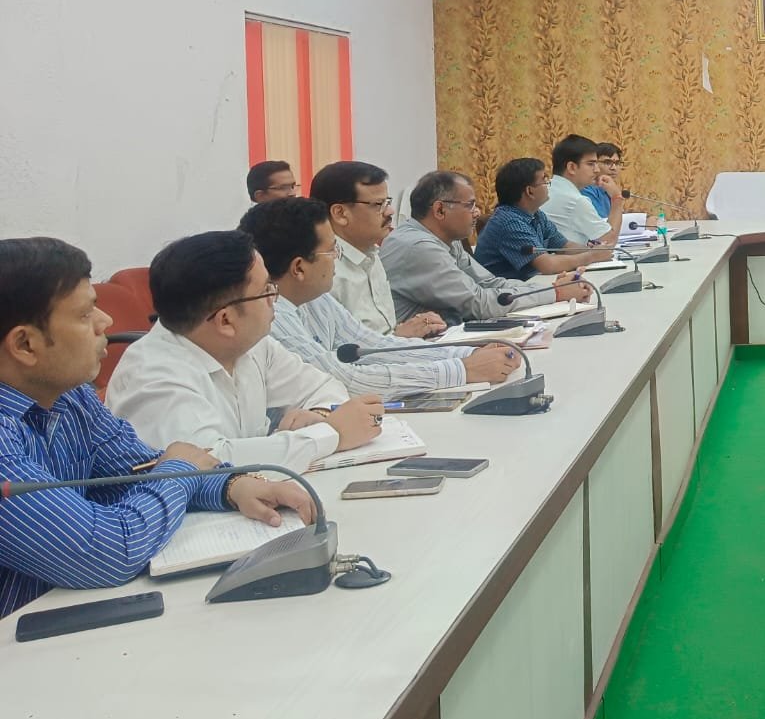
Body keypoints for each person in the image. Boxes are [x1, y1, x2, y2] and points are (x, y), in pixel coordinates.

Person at [0, 237, 312, 617]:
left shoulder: (70, 397)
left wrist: (233, 486)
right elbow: (106, 551)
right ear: (25, 345)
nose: (107, 322)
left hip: (74, 612)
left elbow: (140, 469)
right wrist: (179, 470)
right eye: (85, 316)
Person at [106, 231, 384, 472]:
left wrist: (320, 415)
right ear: (226, 320)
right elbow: (211, 464)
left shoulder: (249, 345)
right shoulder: (153, 377)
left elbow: (323, 385)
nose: (276, 299)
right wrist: (332, 433)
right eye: (266, 291)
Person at [239, 198, 523, 395]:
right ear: (299, 267)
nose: (336, 259)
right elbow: (342, 381)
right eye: (331, 251)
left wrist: (470, 354)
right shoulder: (270, 317)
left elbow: (374, 346)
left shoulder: (314, 297)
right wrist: (460, 369)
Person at [381, 171, 589, 324]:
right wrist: (556, 292)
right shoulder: (419, 247)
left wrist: (551, 288)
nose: (477, 212)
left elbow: (490, 283)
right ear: (440, 210)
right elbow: (479, 304)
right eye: (470, 205)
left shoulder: (446, 240)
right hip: (419, 349)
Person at [311, 160, 446, 339]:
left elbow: (383, 331)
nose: (390, 211)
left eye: (387, 202)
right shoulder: (322, 267)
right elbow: (342, 355)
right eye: (378, 205)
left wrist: (410, 328)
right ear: (340, 213)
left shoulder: (371, 252)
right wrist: (399, 338)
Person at [476, 157, 611, 279]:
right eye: (544, 181)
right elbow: (547, 265)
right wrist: (592, 256)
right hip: (503, 295)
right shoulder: (509, 221)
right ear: (530, 191)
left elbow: (564, 246)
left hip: (526, 284)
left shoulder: (536, 214)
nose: (548, 185)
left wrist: (594, 250)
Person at [544, 135, 626, 247]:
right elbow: (608, 242)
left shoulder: (548, 188)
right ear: (571, 167)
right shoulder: (575, 200)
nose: (597, 170)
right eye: (591, 164)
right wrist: (617, 198)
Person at [582, 143, 625, 219]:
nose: (614, 168)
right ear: (594, 163)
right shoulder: (585, 189)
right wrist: (617, 197)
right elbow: (602, 221)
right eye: (608, 163)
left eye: (617, 163)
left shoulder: (609, 188)